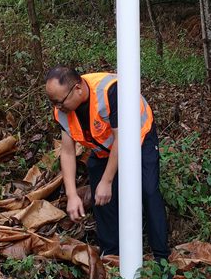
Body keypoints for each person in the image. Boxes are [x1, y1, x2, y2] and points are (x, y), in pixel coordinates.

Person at [45, 66, 170, 262]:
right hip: (103, 148)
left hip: (139, 139)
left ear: (77, 89)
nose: (58, 107)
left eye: (60, 102)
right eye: (53, 103)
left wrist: (108, 180)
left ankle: (162, 258)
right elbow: (68, 151)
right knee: (101, 198)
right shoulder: (62, 109)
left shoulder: (111, 91)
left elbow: (123, 139)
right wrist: (71, 195)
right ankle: (112, 254)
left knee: (148, 191)